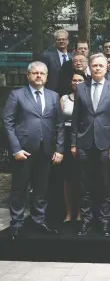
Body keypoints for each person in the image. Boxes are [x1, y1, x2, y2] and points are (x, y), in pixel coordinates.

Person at [3, 61, 64, 241]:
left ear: (46, 77)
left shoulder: (53, 96)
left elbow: (60, 125)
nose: (38, 76)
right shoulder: (17, 95)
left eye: (42, 74)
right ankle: (17, 224)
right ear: (28, 76)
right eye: (35, 73)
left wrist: (59, 149)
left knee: (41, 189)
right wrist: (15, 149)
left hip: (46, 151)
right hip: (23, 151)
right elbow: (8, 122)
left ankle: (39, 221)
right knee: (19, 189)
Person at [71, 53, 110, 237]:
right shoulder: (81, 88)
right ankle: (86, 221)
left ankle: (104, 222)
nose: (98, 68)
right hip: (84, 143)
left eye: (101, 66)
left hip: (106, 143)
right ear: (89, 68)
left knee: (106, 184)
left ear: (106, 67)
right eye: (95, 66)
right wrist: (73, 143)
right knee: (85, 184)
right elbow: (75, 118)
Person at [60, 72, 85, 224]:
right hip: (67, 138)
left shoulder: (89, 98)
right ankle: (69, 212)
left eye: (80, 80)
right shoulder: (63, 98)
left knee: (82, 177)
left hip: (83, 138)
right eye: (74, 80)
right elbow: (60, 121)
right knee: (67, 179)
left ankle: (81, 212)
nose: (76, 82)